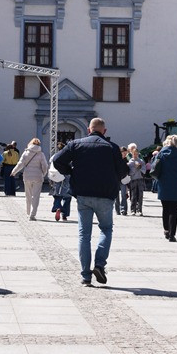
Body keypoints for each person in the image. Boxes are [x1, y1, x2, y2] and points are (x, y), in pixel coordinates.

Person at [51, 117, 129, 286]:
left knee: (84, 235)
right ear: (104, 131)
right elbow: (124, 171)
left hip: (83, 194)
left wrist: (70, 171)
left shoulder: (76, 144)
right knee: (106, 229)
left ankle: (86, 275)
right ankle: (100, 264)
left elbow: (57, 160)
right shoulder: (112, 147)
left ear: (88, 129)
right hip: (105, 195)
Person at [153, 135, 177, 242]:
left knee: (165, 209)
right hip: (176, 185)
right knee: (174, 210)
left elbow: (155, 167)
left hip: (163, 185)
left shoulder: (160, 154)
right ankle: (172, 234)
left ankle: (166, 230)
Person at [13, 137, 50, 220]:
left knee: (28, 195)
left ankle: (28, 212)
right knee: (36, 196)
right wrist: (43, 174)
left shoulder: (26, 153)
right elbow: (45, 166)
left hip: (27, 176)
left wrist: (14, 171)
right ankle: (33, 214)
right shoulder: (41, 154)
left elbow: (20, 163)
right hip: (38, 176)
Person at [127, 143, 146, 216]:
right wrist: (135, 168)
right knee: (133, 195)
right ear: (132, 154)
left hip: (140, 179)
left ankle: (139, 210)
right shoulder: (130, 162)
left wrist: (140, 167)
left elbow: (144, 170)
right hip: (133, 180)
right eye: (134, 154)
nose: (135, 155)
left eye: (136, 154)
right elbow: (130, 173)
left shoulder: (141, 161)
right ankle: (133, 209)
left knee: (140, 195)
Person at [115, 146, 131, 215]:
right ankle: (117, 210)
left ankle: (123, 210)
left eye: (125, 153)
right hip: (116, 179)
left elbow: (128, 170)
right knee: (116, 196)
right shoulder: (117, 160)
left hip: (124, 180)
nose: (124, 154)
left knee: (124, 195)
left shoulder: (126, 160)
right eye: (123, 153)